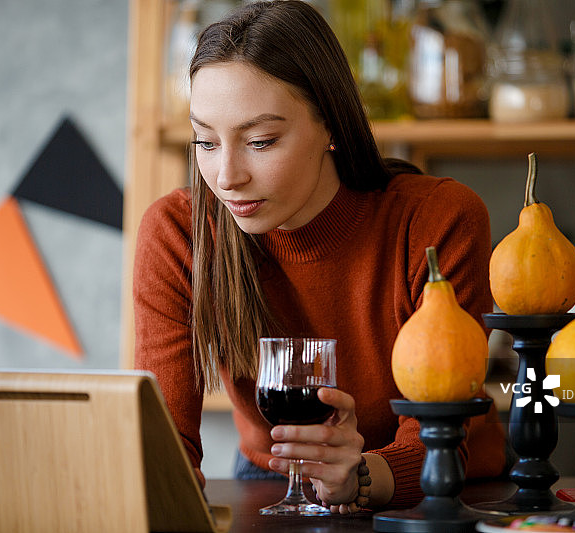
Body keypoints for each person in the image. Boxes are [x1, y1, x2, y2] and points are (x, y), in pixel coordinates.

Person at [133, 0, 505, 513]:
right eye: (205, 141)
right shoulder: (179, 233)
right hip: (269, 488)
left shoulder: (437, 220)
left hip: (443, 488)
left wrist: (359, 477)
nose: (225, 176)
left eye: (261, 141)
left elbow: (442, 438)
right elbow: (163, 445)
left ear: (330, 125)